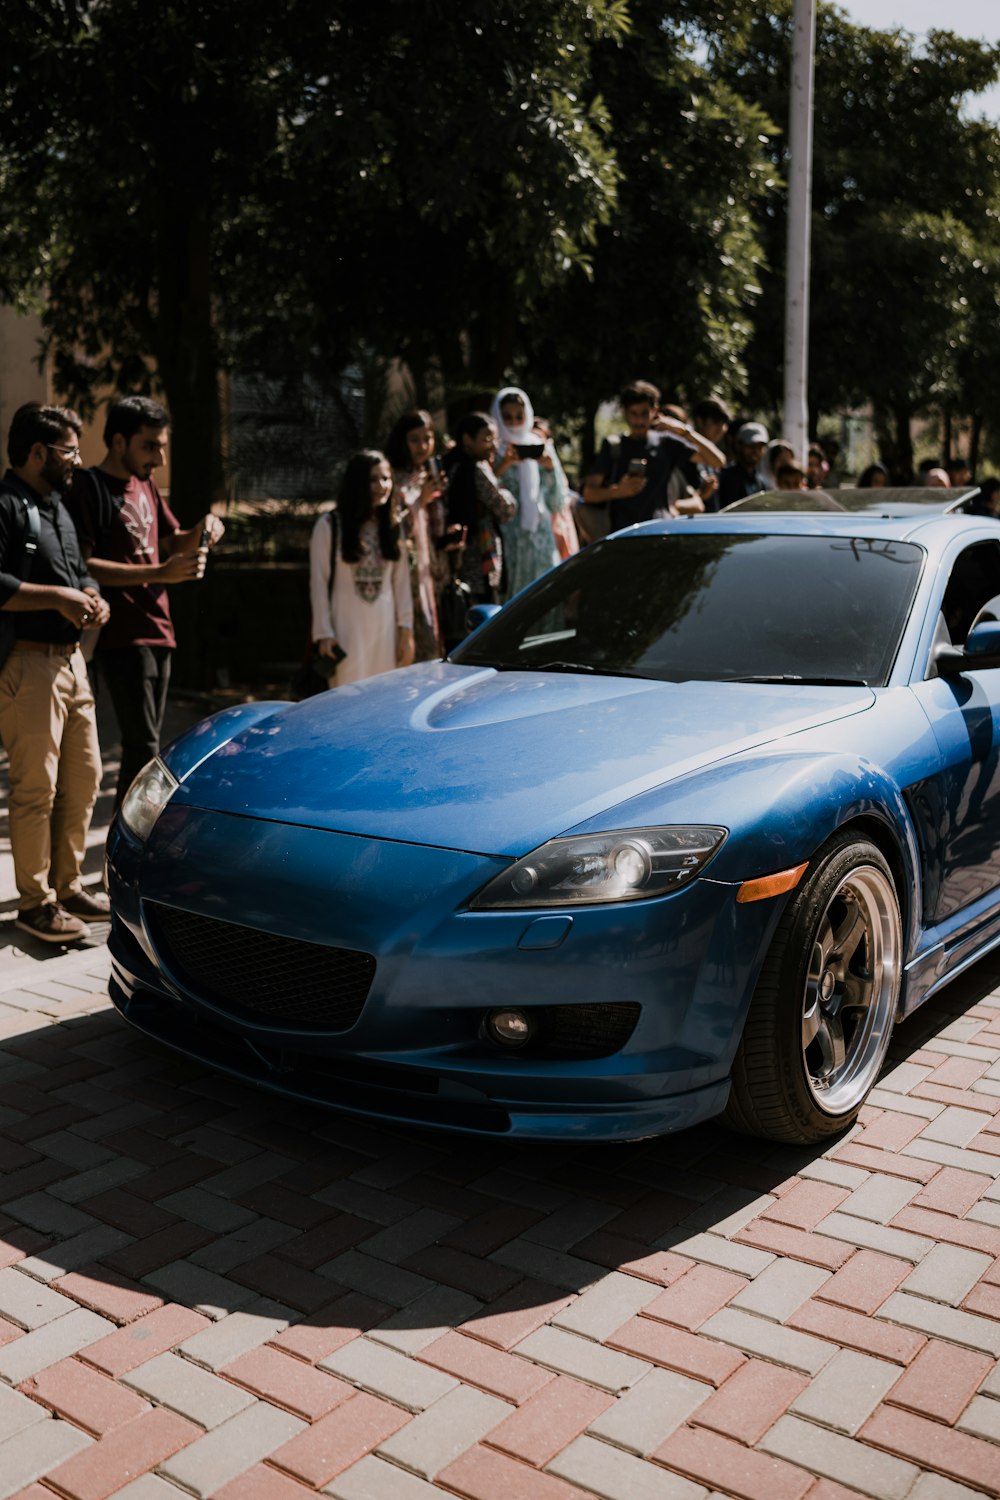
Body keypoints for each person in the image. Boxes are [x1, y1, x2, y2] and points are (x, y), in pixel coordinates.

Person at [65, 396, 224, 807]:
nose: (160, 456)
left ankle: (130, 839)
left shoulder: (146, 485)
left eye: (163, 445)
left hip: (160, 628)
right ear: (119, 442)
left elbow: (172, 540)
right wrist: (159, 573)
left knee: (148, 746)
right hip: (121, 632)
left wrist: (206, 526)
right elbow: (84, 565)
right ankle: (128, 844)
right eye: (150, 445)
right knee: (143, 744)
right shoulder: (89, 486)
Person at [0, 403, 111, 943]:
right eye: (69, 449)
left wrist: (90, 594)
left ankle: (68, 888)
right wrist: (61, 597)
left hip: (72, 662)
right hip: (27, 662)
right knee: (35, 790)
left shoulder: (58, 507)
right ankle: (35, 904)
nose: (78, 459)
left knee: (84, 779)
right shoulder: (4, 505)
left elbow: (79, 570)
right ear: (38, 451)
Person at [310, 450, 414, 687]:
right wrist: (324, 634)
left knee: (383, 701)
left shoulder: (392, 526)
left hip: (385, 636)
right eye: (373, 479)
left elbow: (401, 584)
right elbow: (318, 582)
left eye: (386, 478)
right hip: (345, 636)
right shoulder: (329, 526)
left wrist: (406, 632)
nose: (381, 486)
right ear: (357, 483)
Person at [582, 380, 723, 531]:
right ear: (624, 412)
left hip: (661, 531)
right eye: (633, 414)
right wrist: (618, 491)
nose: (639, 421)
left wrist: (685, 431)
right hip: (623, 536)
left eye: (644, 413)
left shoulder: (667, 443)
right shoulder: (613, 446)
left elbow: (717, 461)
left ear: (655, 410)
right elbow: (589, 494)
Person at [385, 409, 454, 660]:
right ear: (402, 440)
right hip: (406, 571)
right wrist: (420, 502)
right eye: (415, 439)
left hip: (432, 571)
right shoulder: (391, 477)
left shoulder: (431, 474)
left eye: (428, 438)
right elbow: (392, 526)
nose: (423, 446)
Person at [489, 386, 568, 600]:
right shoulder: (493, 450)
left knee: (545, 594)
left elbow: (557, 501)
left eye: (518, 416)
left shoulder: (540, 445)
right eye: (507, 417)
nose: (514, 422)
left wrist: (550, 468)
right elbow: (485, 492)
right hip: (509, 535)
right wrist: (504, 464)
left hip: (539, 533)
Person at [443, 414, 517, 614]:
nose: (493, 446)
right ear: (467, 440)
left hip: (453, 561)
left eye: (495, 439)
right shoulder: (477, 469)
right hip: (479, 560)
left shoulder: (449, 464)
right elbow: (506, 509)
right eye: (487, 439)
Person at [717, 421, 770, 509]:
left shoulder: (761, 482)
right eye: (751, 446)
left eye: (760, 447)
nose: (755, 451)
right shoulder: (727, 477)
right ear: (739, 446)